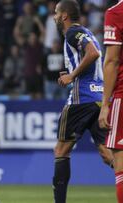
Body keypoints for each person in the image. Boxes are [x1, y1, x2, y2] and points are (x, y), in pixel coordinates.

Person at [52, 1, 114, 203]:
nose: (54, 17)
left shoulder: (72, 33)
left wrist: (72, 76)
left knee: (61, 150)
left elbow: (93, 54)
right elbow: (93, 54)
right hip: (98, 97)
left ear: (64, 16)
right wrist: (71, 73)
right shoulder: (87, 32)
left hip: (82, 99)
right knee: (107, 154)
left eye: (56, 13)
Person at [98, 1, 123, 202]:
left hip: (122, 96)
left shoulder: (116, 13)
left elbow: (112, 61)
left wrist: (105, 104)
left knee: (121, 163)